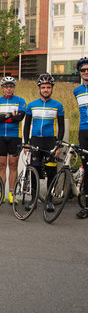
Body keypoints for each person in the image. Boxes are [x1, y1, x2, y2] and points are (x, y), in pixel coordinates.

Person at [24, 74, 64, 212]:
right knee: (34, 171)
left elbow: (61, 127)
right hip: (35, 141)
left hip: (50, 143)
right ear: (39, 88)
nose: (46, 89)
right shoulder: (31, 105)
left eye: (48, 87)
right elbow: (27, 126)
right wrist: (26, 143)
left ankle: (49, 200)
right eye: (43, 87)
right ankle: (33, 199)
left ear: (52, 89)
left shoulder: (58, 105)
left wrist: (58, 145)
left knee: (51, 172)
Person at [0, 76, 26, 205]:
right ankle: (1, 194)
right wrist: (11, 115)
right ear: (2, 88)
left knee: (13, 165)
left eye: (11, 86)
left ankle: (12, 194)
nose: (8, 89)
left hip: (15, 136)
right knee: (1, 165)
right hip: (1, 137)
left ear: (14, 88)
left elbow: (19, 118)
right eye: (6, 86)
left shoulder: (20, 101)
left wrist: (3, 116)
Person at [73, 57, 88, 218]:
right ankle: (86, 206)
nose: (86, 72)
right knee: (86, 167)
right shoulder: (77, 91)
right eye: (83, 70)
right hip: (84, 130)